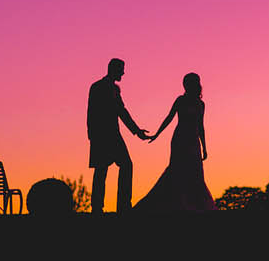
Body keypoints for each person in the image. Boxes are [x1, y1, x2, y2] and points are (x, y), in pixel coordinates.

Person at [134, 72, 216, 211]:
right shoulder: (180, 101)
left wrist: (204, 147)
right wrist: (157, 134)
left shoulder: (201, 104)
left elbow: (201, 126)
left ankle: (195, 206)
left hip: (194, 141)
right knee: (177, 171)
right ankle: (176, 204)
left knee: (195, 174)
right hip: (180, 140)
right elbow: (169, 118)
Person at [88, 58, 149, 214]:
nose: (123, 72)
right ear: (113, 69)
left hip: (114, 134)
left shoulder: (115, 89)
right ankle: (98, 208)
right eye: (121, 69)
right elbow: (91, 112)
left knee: (125, 165)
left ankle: (122, 206)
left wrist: (136, 131)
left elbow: (122, 111)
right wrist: (92, 135)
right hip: (102, 135)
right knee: (101, 170)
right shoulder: (97, 87)